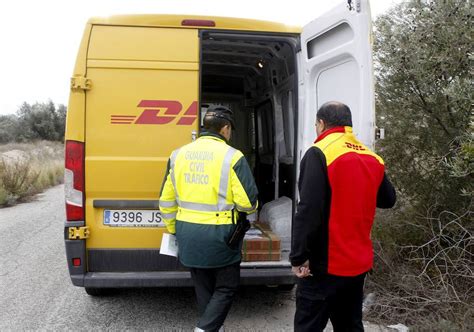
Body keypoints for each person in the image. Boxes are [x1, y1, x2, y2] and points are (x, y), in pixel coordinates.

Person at [290, 101, 396, 331]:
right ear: (349, 124)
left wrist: (298, 257)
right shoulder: (371, 157)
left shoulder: (319, 152)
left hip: (323, 267)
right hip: (357, 265)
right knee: (350, 326)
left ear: (321, 124)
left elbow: (308, 210)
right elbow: (388, 200)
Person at [159, 105, 258, 332]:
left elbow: (165, 200)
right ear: (225, 129)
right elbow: (247, 203)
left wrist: (173, 229)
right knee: (226, 287)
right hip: (221, 236)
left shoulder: (178, 155)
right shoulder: (233, 157)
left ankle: (213, 327)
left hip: (187, 234)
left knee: (203, 287)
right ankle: (204, 329)